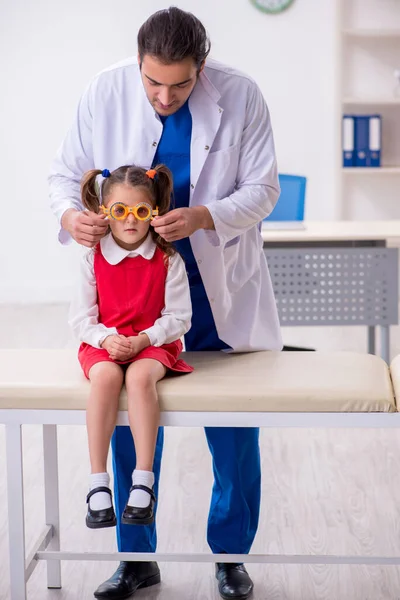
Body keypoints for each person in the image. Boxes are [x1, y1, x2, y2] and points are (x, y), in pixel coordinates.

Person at [49, 7, 282, 600]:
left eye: (179, 83)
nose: (163, 95)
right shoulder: (105, 91)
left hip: (217, 290)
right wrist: (72, 216)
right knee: (129, 422)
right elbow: (63, 177)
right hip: (131, 297)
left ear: (200, 68)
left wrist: (207, 216)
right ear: (138, 62)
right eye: (152, 81)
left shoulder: (241, 94)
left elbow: (263, 189)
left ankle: (230, 556)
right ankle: (135, 559)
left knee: (233, 435)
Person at [69, 164, 193, 531]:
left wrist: (144, 339)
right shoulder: (92, 258)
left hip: (152, 343)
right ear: (105, 212)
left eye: (140, 211)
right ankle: (97, 483)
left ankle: (143, 479)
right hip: (103, 343)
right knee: (106, 377)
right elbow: (81, 319)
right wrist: (106, 339)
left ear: (153, 212)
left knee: (140, 378)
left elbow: (179, 317)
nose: (130, 221)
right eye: (120, 211)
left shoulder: (168, 259)